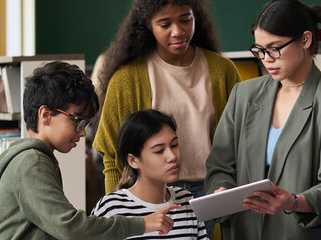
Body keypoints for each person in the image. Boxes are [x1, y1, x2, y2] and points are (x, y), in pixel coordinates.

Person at [204, 0, 321, 239]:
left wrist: (293, 202)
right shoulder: (243, 95)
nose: (266, 58)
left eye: (274, 48)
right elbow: (219, 166)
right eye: (259, 50)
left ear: (305, 40)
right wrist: (221, 189)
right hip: (245, 231)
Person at [0, 62, 180, 239]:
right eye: (77, 120)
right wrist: (142, 223)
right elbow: (70, 228)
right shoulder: (32, 163)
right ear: (45, 115)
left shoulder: (34, 159)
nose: (82, 132)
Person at [94, 0, 241, 202]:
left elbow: (239, 145)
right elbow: (112, 156)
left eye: (185, 20)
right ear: (148, 24)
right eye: (165, 25)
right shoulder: (126, 80)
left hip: (213, 194)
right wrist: (119, 211)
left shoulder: (223, 70)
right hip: (153, 197)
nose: (178, 31)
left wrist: (228, 190)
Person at [92, 109, 207, 239]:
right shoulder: (111, 207)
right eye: (159, 151)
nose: (172, 156)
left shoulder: (186, 200)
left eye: (174, 145)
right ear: (133, 161)